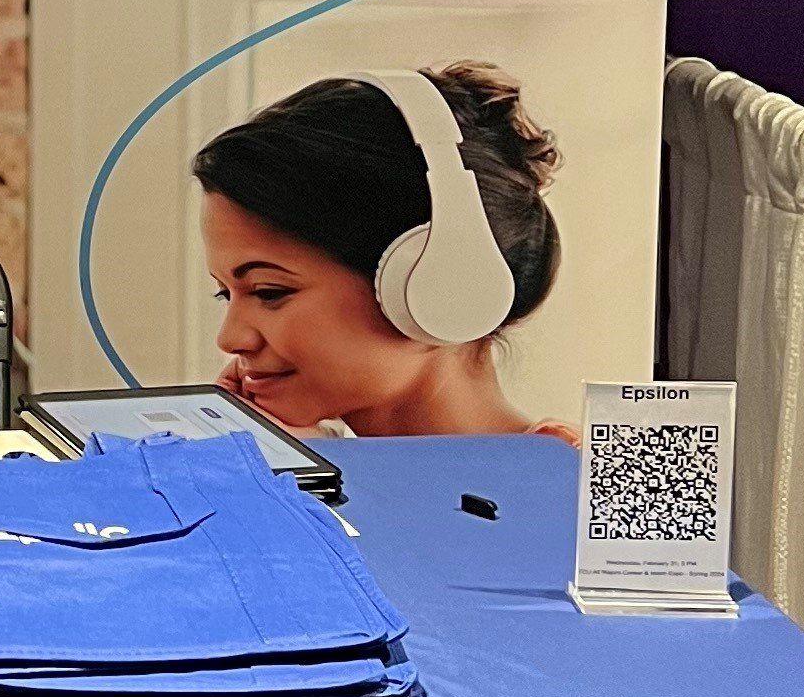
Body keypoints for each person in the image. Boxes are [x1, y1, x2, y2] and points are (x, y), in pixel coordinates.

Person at [193, 64, 567, 440]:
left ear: (437, 282)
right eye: (225, 294)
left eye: (269, 292)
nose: (230, 339)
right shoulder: (299, 458)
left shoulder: (574, 474)